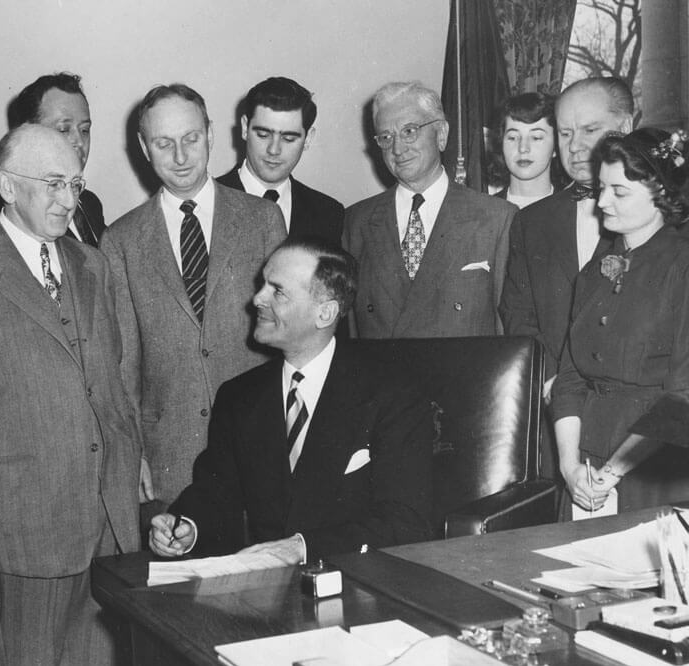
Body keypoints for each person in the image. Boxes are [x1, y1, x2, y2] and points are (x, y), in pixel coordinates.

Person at [0, 125, 141, 665]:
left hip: (108, 521)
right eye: (54, 183)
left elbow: (109, 384)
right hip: (24, 528)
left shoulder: (94, 264)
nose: (70, 200)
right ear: (9, 187)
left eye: (76, 183)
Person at [149, 238, 434, 562]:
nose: (257, 299)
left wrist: (302, 548)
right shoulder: (239, 396)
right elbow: (216, 491)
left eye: (278, 291)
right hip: (267, 592)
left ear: (325, 313)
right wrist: (187, 527)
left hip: (358, 583)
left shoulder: (392, 394)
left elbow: (407, 521)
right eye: (262, 286)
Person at [100, 83, 286, 510]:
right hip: (171, 457)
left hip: (259, 445)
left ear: (210, 135)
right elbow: (125, 363)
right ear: (144, 149)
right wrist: (135, 455)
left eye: (191, 139)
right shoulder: (121, 241)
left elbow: (287, 337)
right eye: (164, 144)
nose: (181, 157)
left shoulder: (261, 219)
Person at [552, 128, 689, 515]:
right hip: (585, 465)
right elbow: (569, 381)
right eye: (600, 188)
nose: (601, 201)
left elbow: (683, 394)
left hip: (656, 467)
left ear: (661, 195)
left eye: (618, 191)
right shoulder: (592, 274)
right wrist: (569, 468)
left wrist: (613, 472)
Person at [500, 77, 689, 397]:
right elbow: (519, 316)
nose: (575, 146)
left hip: (637, 415)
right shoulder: (530, 221)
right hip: (552, 403)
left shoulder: (672, 211)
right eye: (566, 133)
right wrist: (556, 385)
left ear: (624, 126)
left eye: (590, 130)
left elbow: (684, 330)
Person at [343, 81, 516, 339]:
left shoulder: (496, 218)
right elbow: (353, 333)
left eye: (409, 131)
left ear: (442, 134)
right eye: (386, 137)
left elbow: (506, 333)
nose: (398, 149)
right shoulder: (357, 221)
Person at [216, 77, 344, 244]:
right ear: (245, 128)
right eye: (263, 135)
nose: (273, 150)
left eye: (289, 138)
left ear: (308, 139)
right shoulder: (207, 202)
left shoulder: (328, 213)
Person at [3, 72, 106, 246]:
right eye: (63, 130)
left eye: (85, 130)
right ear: (28, 134)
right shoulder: (15, 217)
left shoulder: (88, 203)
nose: (79, 142)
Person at [488, 92, 563, 208]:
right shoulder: (483, 212)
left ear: (555, 147)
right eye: (513, 138)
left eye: (536, 138)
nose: (523, 148)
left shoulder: (576, 212)